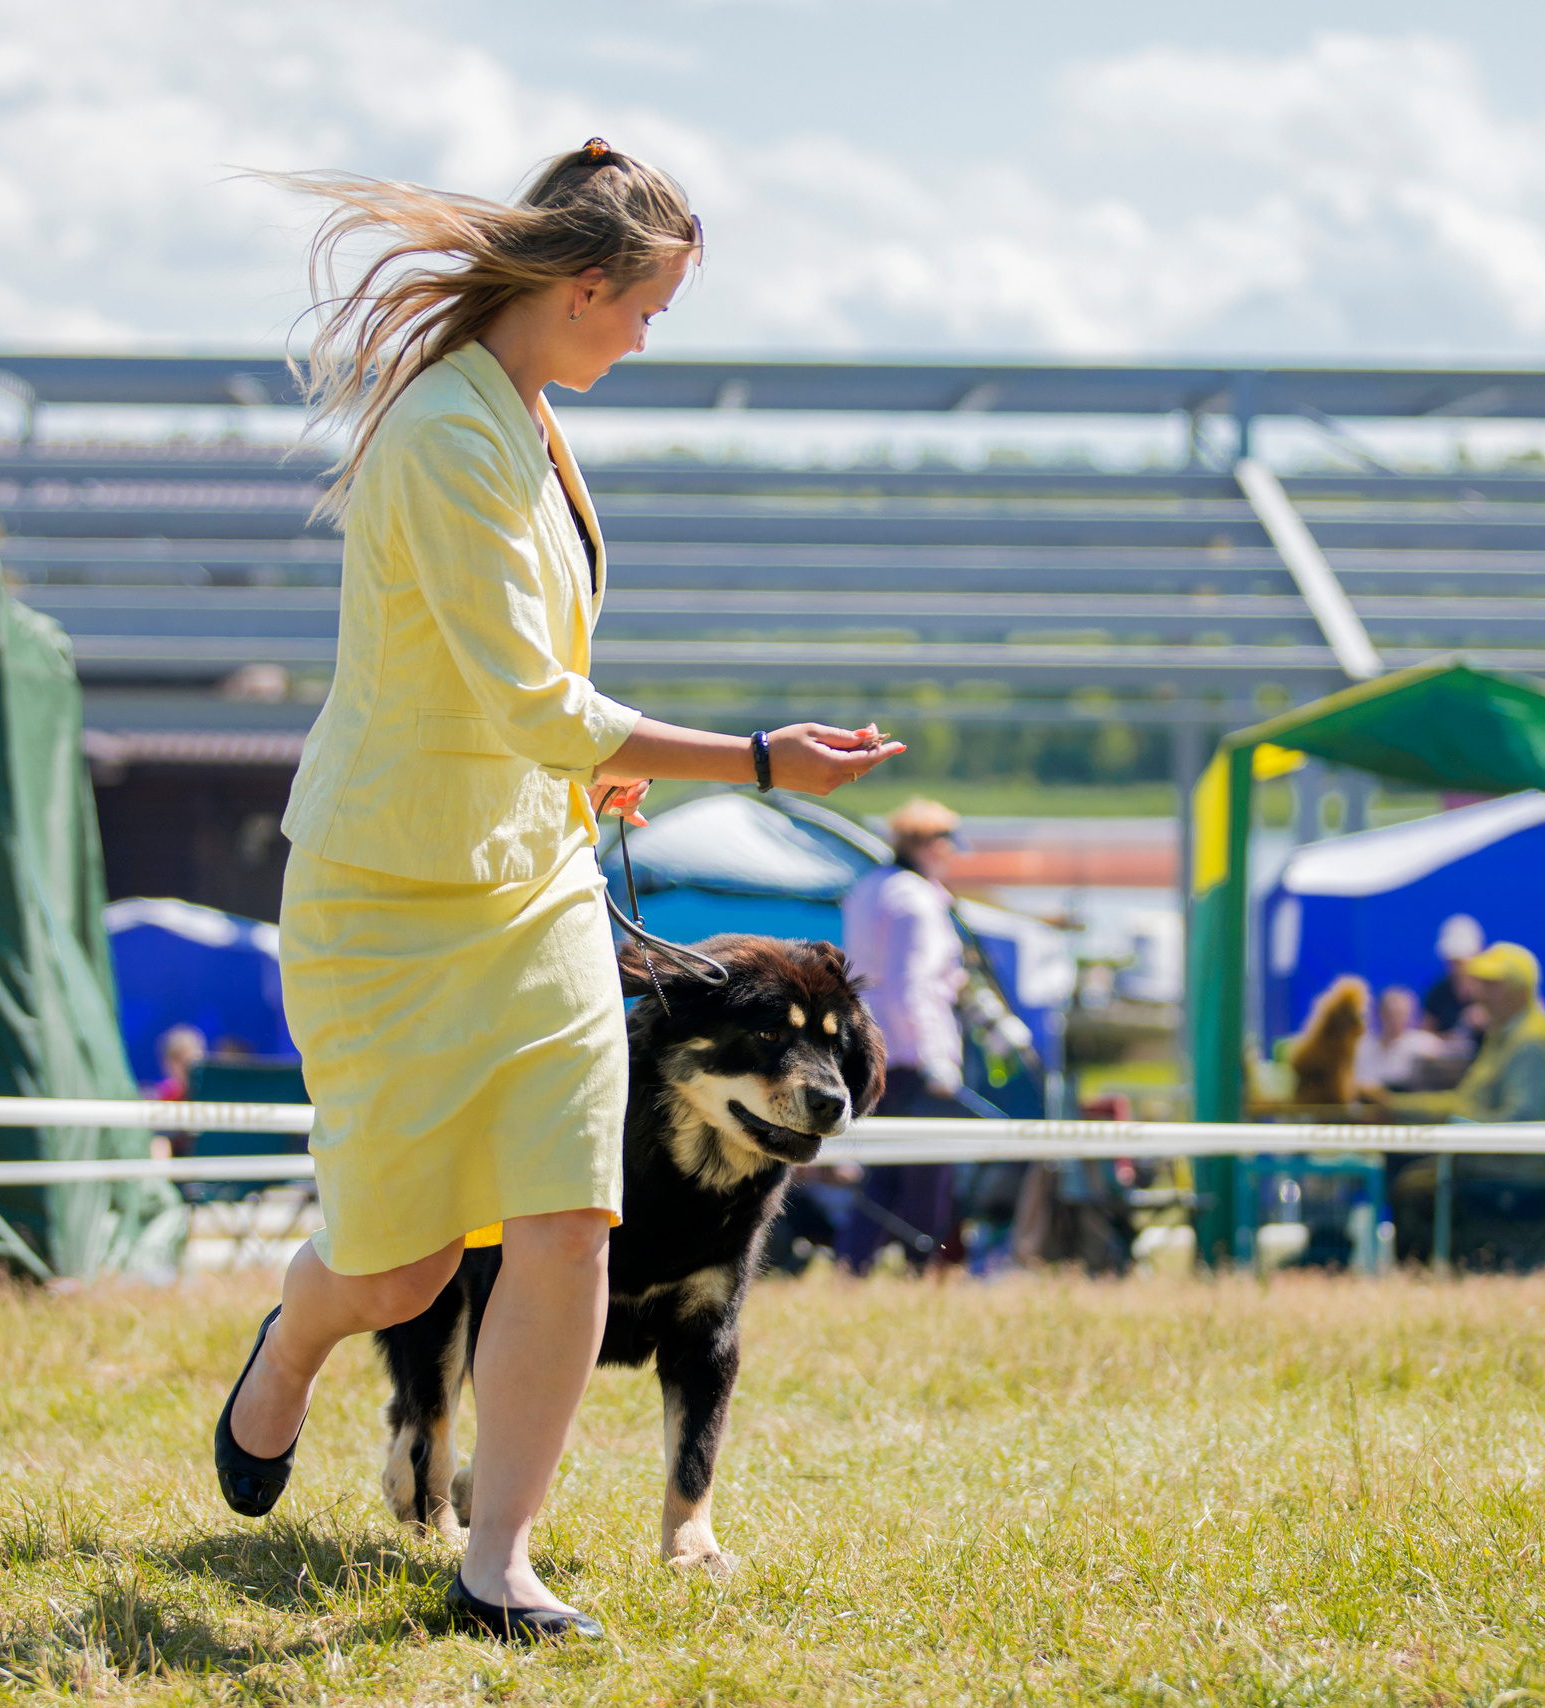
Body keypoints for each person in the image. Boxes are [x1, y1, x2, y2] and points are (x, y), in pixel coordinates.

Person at [214, 141, 902, 1645]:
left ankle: (498, 1565)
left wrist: (588, 772)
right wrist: (760, 762)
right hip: (389, 902)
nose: (650, 337)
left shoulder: (532, 420)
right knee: (400, 1269)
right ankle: (290, 1346)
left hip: (533, 893)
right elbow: (535, 701)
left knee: (570, 1218)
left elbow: (534, 705)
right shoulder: (447, 438)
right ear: (585, 290)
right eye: (648, 309)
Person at [1369, 942, 1545, 1268]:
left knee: (1412, 1189)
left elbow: (1523, 1125)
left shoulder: (1531, 1042)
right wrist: (1396, 1106)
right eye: (1480, 983)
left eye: (1492, 985)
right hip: (1497, 1167)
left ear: (1520, 992)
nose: (1478, 992)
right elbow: (1462, 1102)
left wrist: (1455, 1128)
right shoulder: (1507, 1034)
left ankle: (1426, 1281)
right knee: (1410, 1181)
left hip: (1519, 1177)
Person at [837, 797, 974, 1274]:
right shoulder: (915, 899)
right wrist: (935, 1056)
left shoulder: (870, 887)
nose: (954, 852)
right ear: (929, 844)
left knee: (883, 1168)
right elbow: (910, 985)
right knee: (930, 1167)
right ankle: (924, 1267)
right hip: (911, 1053)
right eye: (949, 841)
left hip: (869, 1048)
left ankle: (853, 1265)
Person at [1353, 984, 1444, 1092]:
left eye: (1401, 1014)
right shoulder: (1362, 1047)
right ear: (1380, 1013)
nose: (1396, 1020)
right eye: (1391, 1014)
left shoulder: (1424, 1044)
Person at [1422, 914, 1485, 1038]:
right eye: (1452, 960)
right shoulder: (1437, 992)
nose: (1456, 967)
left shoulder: (1492, 988)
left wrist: (1488, 1020)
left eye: (1460, 960)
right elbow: (1426, 1034)